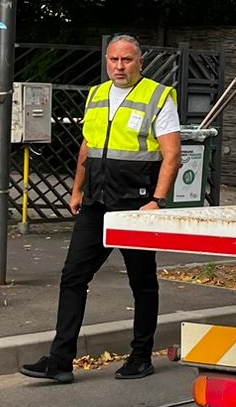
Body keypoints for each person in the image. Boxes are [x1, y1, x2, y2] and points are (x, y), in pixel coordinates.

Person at [21, 36, 180, 385]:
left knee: (142, 282)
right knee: (73, 276)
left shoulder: (158, 96)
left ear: (140, 62)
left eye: (126, 60)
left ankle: (140, 356)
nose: (119, 66)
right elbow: (88, 147)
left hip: (135, 204)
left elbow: (172, 154)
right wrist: (76, 189)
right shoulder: (96, 95)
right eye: (113, 60)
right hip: (96, 202)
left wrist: (157, 199)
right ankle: (61, 361)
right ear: (106, 62)